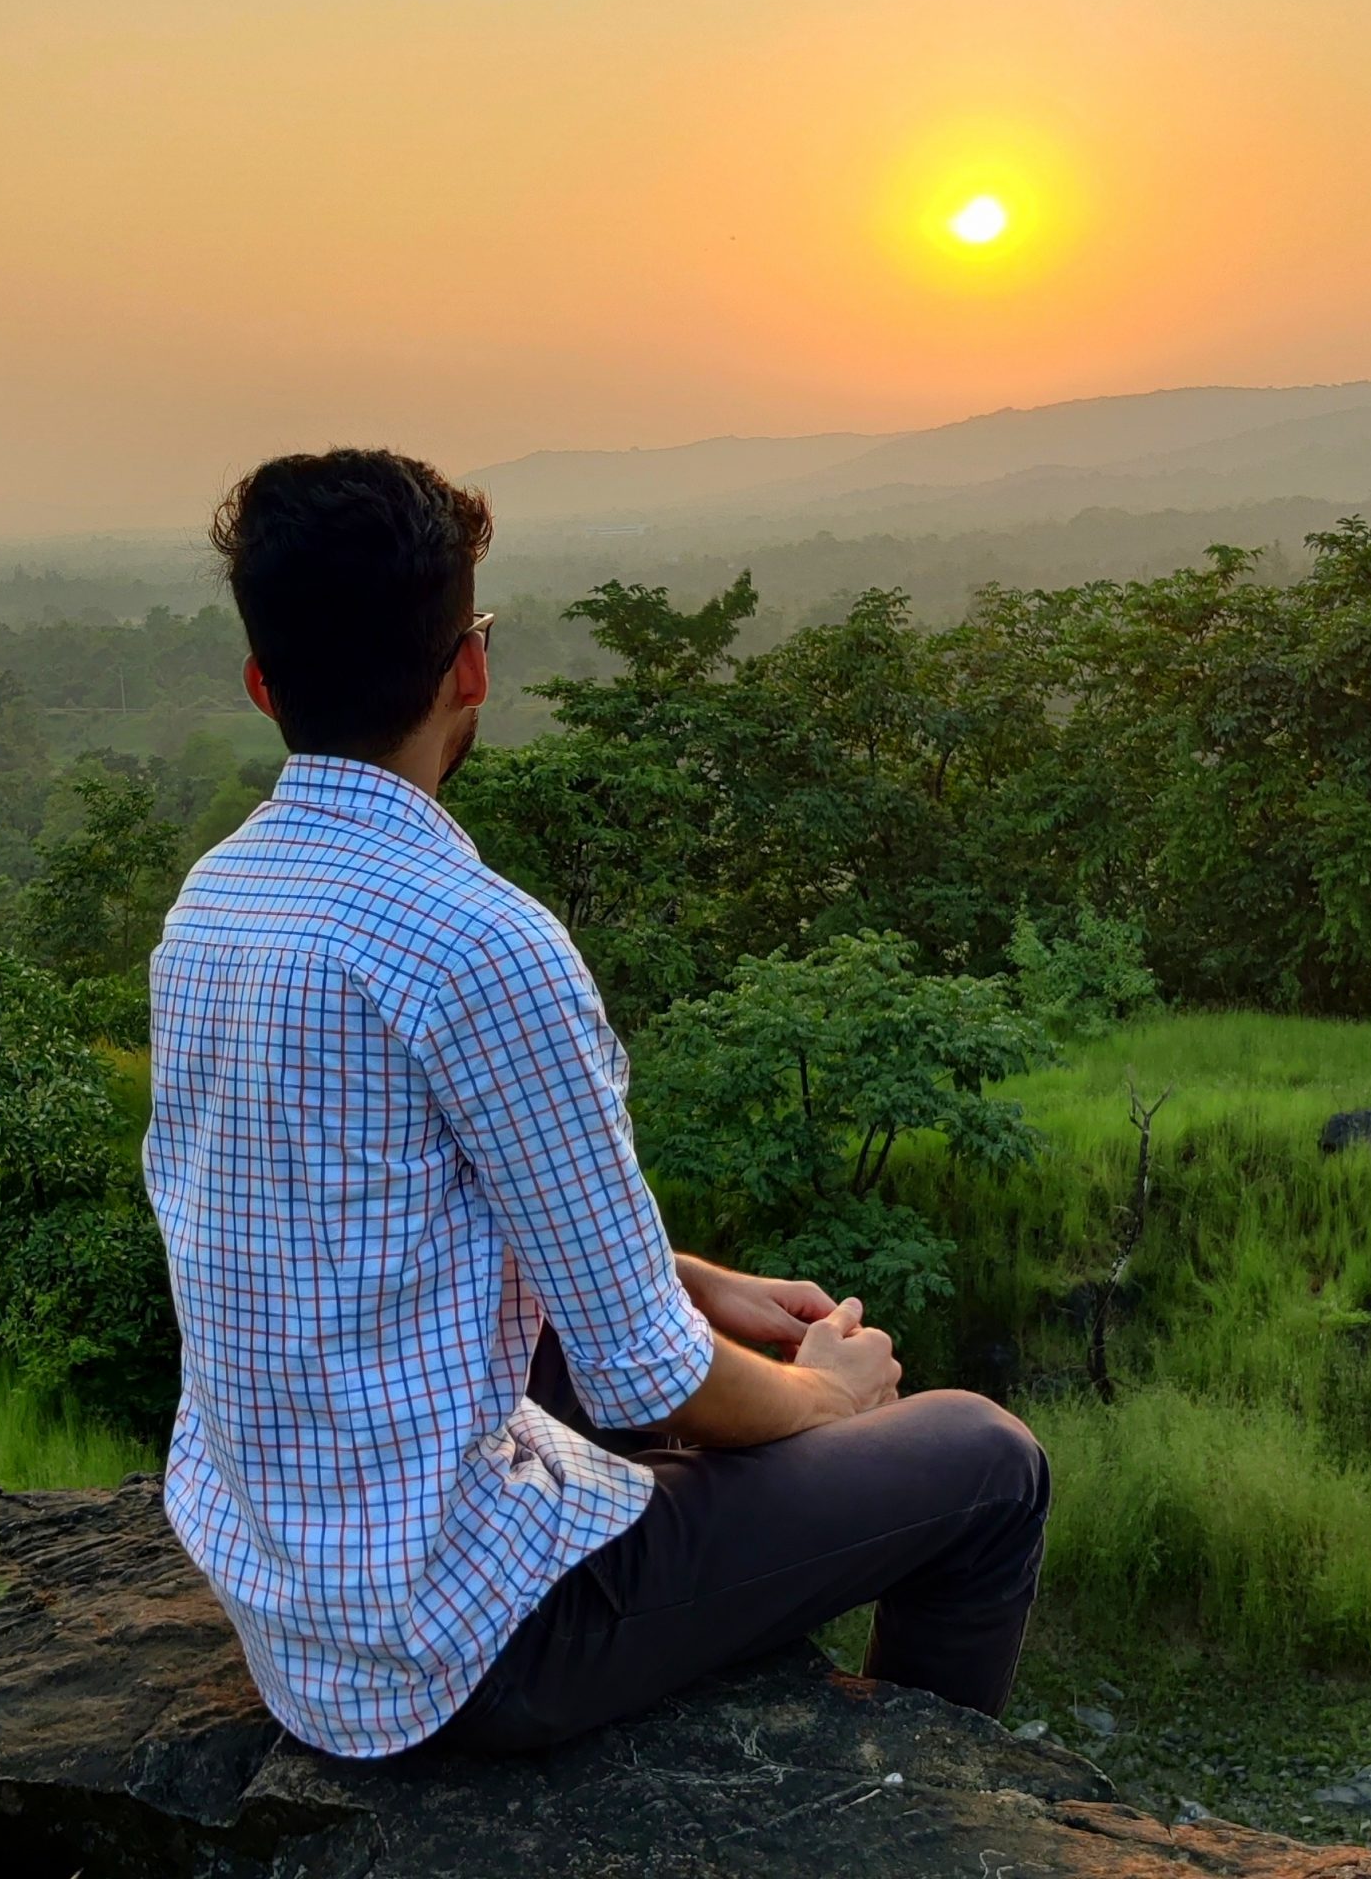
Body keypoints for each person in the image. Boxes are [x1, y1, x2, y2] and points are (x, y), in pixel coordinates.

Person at [143, 447, 1048, 1762]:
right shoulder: (479, 942)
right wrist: (830, 1400)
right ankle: (918, 1794)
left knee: (638, 1358)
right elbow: (650, 1377)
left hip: (295, 1608)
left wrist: (686, 1275)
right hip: (467, 1653)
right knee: (982, 1460)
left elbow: (364, 1216)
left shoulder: (217, 902)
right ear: (470, 665)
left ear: (262, 682)